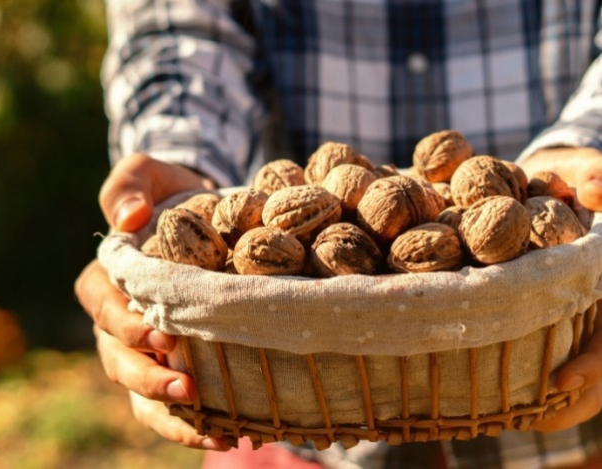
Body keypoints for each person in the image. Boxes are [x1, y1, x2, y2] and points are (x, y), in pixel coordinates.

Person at [75, 0, 602, 467]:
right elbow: (177, 29)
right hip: (276, 405)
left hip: (571, 422)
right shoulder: (294, 220)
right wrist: (179, 163)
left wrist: (589, 147)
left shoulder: (477, 208)